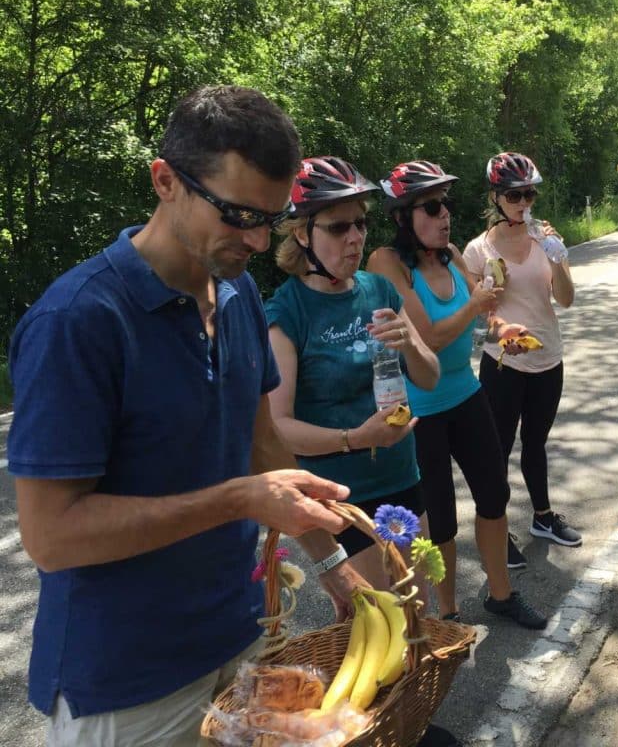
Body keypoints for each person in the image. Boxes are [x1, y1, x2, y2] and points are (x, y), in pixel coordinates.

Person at [7, 86, 359, 747]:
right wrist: (233, 502)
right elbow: (50, 537)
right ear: (165, 181)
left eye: (271, 218)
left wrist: (333, 560)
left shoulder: (238, 292)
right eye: (236, 214)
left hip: (239, 643)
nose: (257, 239)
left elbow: (263, 446)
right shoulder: (78, 320)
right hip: (125, 686)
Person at [366, 160, 547, 630]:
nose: (444, 214)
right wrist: (476, 305)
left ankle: (500, 595)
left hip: (467, 395)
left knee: (494, 495)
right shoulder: (387, 263)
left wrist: (504, 327)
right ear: (403, 216)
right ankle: (448, 612)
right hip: (420, 410)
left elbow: (485, 314)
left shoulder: (449, 253)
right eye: (430, 206)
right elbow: (426, 336)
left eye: (445, 204)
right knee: (440, 517)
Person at [265, 156, 441, 595]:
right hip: (341, 495)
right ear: (303, 232)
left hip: (403, 477)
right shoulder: (286, 312)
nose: (356, 237)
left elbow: (430, 378)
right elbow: (278, 428)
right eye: (339, 227)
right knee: (382, 623)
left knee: (417, 610)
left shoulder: (378, 289)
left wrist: (412, 343)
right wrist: (356, 438)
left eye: (360, 224)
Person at [462, 152, 580, 567]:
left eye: (529, 193)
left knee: (536, 442)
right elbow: (479, 312)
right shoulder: (477, 250)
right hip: (504, 364)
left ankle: (543, 518)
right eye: (514, 194)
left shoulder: (544, 239)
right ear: (496, 197)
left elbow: (565, 299)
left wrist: (556, 256)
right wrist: (497, 309)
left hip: (549, 357)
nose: (524, 202)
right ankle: (498, 528)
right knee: (498, 449)